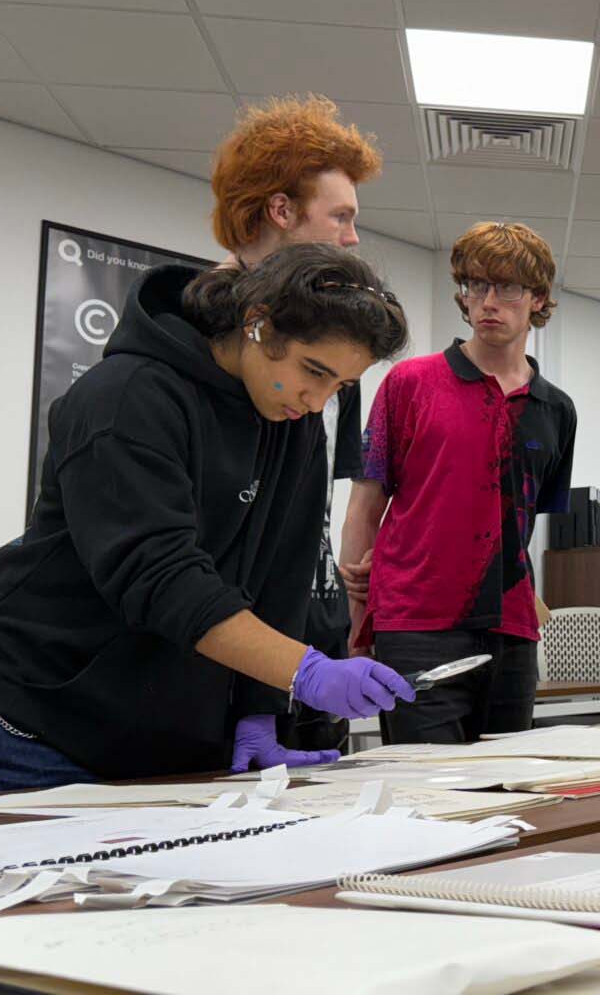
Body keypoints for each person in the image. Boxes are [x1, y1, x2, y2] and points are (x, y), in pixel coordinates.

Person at [0, 244, 416, 792]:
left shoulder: (292, 420)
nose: (317, 400)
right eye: (313, 371)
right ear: (258, 324)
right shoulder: (124, 399)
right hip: (36, 722)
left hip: (157, 740)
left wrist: (259, 708)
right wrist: (303, 672)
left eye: (340, 385)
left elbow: (283, 573)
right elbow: (162, 577)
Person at [340, 222, 576, 744]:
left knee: (505, 793)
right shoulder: (410, 383)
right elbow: (365, 504)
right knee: (426, 797)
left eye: (507, 287)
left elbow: (521, 522)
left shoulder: (556, 410)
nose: (488, 302)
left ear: (537, 298)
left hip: (512, 632)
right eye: (475, 286)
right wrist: (358, 628)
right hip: (416, 624)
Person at [210, 94, 385, 753]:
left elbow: (305, 520)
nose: (353, 237)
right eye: (340, 216)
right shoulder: (205, 349)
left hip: (303, 639)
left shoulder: (338, 343)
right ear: (281, 212)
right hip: (219, 649)